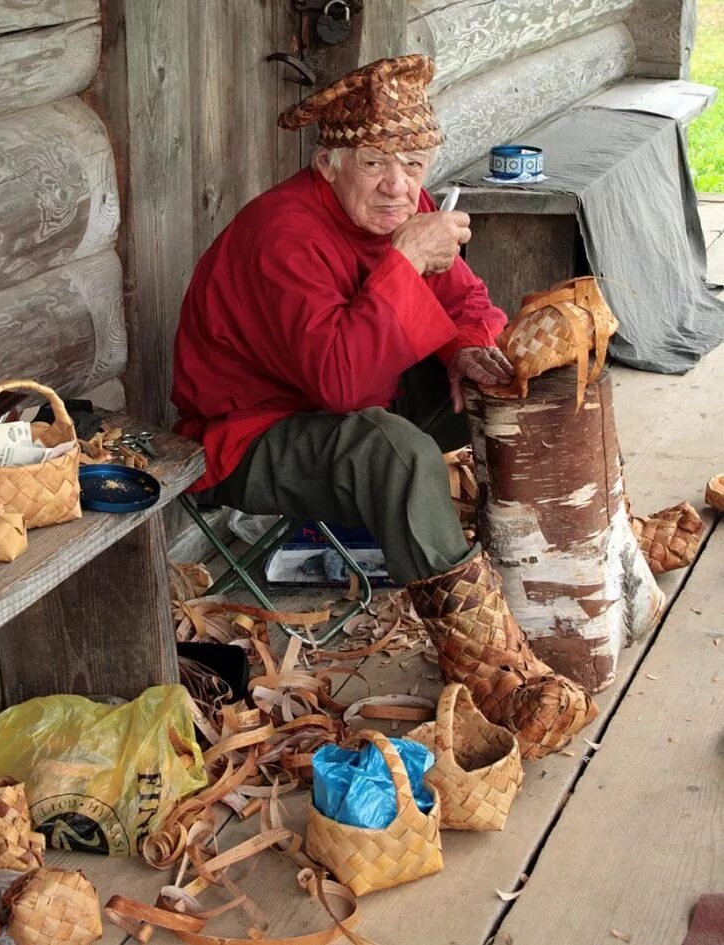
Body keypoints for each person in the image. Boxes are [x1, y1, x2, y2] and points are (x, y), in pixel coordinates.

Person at [173, 54, 596, 759]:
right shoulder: (286, 235)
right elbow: (338, 383)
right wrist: (403, 260)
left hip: (347, 398)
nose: (398, 183)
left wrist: (467, 349)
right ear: (329, 162)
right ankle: (488, 667)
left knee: (514, 376)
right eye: (374, 161)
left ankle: (554, 567)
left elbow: (466, 303)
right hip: (246, 434)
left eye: (412, 160)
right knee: (395, 451)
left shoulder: (407, 206)